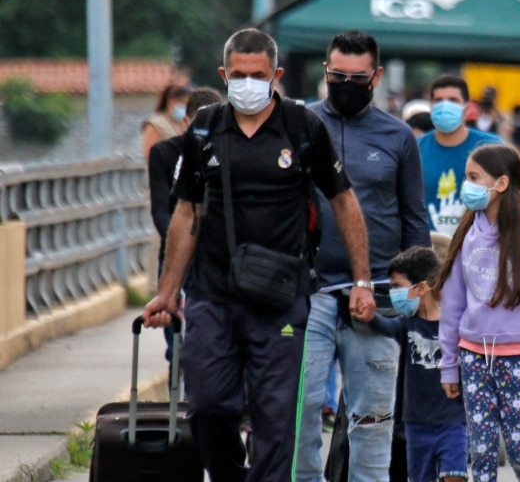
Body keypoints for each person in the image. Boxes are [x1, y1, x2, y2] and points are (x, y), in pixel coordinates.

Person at [142, 27, 373, 482]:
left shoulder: (303, 127)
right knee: (208, 405)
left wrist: (362, 281)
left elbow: (344, 201)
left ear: (276, 74)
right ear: (224, 74)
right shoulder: (205, 127)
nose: (248, 83)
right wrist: (167, 293)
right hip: (212, 293)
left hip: (281, 297)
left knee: (275, 419)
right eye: (239, 74)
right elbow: (186, 213)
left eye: (259, 74)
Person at [297, 30, 432, 482]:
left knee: (373, 417)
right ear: (325, 72)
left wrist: (419, 296)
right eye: (338, 75)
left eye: (357, 76)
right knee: (303, 407)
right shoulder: (299, 126)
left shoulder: (398, 138)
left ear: (375, 77)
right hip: (309, 291)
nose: (346, 83)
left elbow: (414, 220)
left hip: (376, 295)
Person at [437, 143, 520, 482]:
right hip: (473, 357)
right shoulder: (467, 232)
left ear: (500, 183)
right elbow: (452, 303)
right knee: (481, 450)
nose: (466, 185)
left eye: (473, 177)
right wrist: (448, 366)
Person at [367, 246, 468, 482]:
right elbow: (383, 325)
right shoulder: (406, 325)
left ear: (421, 287)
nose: (393, 294)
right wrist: (367, 312)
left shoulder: (458, 325)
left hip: (453, 419)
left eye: (397, 287)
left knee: (456, 474)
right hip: (416, 423)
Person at [147, 86, 225, 376]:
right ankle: (178, 412)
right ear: (185, 123)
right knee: (177, 345)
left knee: (217, 342)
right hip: (180, 256)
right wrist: (182, 246)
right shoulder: (165, 153)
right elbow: (161, 209)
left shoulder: (230, 153)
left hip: (216, 261)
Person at [418, 74, 501, 236]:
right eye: (438, 100)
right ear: (430, 106)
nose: (445, 106)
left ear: (467, 108)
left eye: (453, 100)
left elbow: (506, 199)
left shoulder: (490, 147)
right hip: (426, 248)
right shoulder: (413, 148)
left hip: (477, 246)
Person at [142, 84, 190, 160]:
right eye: (183, 104)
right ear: (171, 101)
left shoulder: (185, 123)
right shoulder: (155, 124)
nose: (185, 109)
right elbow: (149, 154)